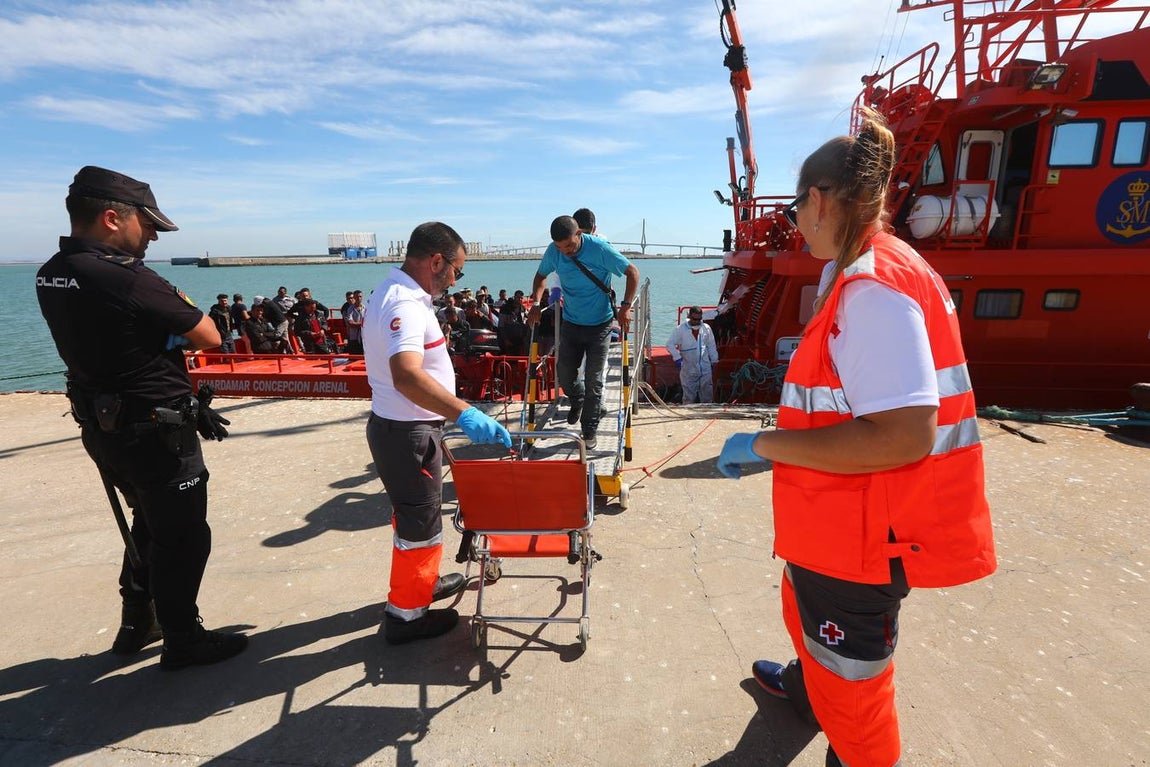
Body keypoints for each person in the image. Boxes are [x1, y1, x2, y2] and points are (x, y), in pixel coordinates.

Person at [716, 110, 996, 767]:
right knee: (805, 618)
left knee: (858, 694)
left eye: (793, 207)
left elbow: (903, 436)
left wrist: (765, 446)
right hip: (833, 526)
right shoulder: (863, 271)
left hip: (861, 541)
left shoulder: (874, 289)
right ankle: (809, 690)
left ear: (818, 199)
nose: (790, 221)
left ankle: (847, 736)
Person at [35, 165, 247, 670]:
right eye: (147, 224)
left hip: (103, 425)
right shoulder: (125, 276)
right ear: (112, 218)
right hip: (156, 429)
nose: (152, 234)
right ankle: (183, 638)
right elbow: (209, 334)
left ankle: (138, 622)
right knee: (184, 536)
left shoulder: (51, 271)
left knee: (146, 525)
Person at [363, 221, 512, 645]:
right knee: (420, 526)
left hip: (406, 428)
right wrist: (466, 413)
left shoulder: (395, 293)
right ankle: (407, 617)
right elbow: (406, 376)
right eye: (456, 271)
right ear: (436, 261)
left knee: (415, 517)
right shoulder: (405, 305)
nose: (455, 280)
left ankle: (419, 586)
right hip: (408, 433)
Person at [526, 215, 639, 449]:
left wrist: (626, 307)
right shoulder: (554, 251)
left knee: (594, 380)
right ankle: (576, 398)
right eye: (560, 247)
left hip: (600, 324)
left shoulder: (599, 249)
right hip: (571, 323)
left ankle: (589, 430)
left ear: (579, 234)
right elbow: (540, 276)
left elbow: (632, 273)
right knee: (564, 374)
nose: (565, 252)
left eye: (568, 245)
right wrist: (536, 303)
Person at [667, 306, 718, 403]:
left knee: (707, 394)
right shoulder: (680, 329)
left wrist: (714, 360)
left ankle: (706, 414)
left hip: (705, 367)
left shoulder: (706, 328)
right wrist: (677, 358)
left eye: (699, 319)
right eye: (694, 319)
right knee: (689, 396)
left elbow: (711, 345)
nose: (697, 322)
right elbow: (670, 344)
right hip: (688, 367)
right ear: (689, 316)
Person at [344, 290, 365, 355]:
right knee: (354, 356)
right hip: (354, 337)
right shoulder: (350, 309)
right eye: (356, 297)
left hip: (364, 337)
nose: (359, 298)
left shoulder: (365, 308)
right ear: (354, 298)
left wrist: (357, 324)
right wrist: (362, 324)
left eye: (360, 296)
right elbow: (350, 323)